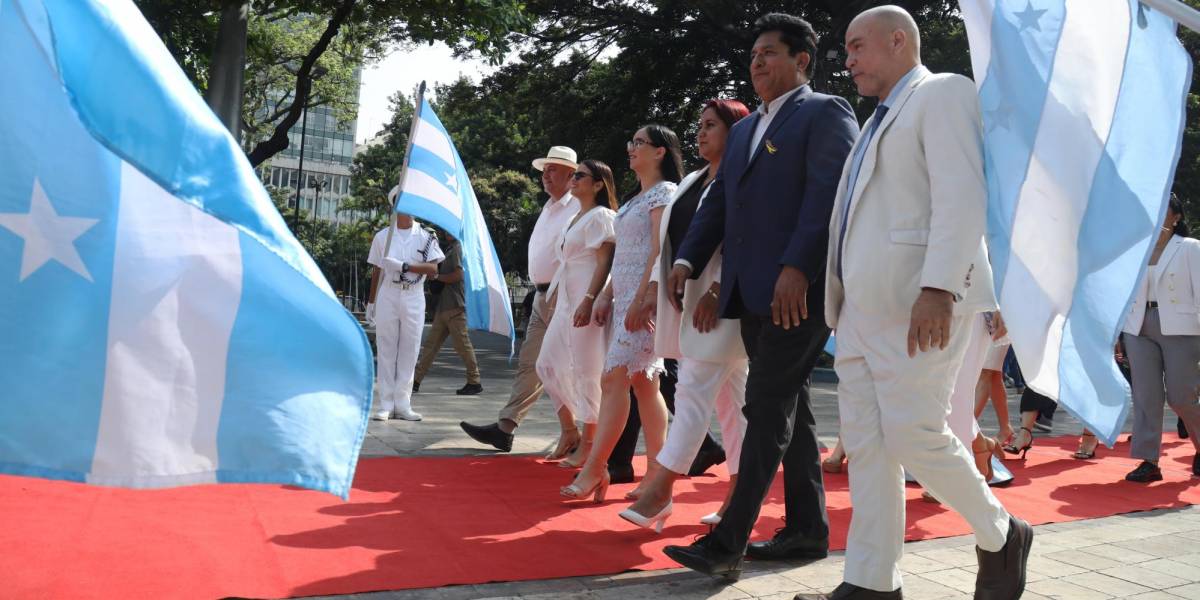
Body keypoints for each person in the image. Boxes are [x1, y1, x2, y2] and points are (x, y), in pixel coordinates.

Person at [801, 7, 1031, 599]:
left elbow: (962, 195)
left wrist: (940, 286)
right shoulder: (874, 121)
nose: (846, 59)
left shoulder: (943, 93)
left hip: (917, 305)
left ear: (898, 41)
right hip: (856, 313)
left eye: (857, 47)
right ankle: (871, 582)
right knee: (871, 448)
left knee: (914, 436)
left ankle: (1002, 531)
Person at [662, 13, 858, 580]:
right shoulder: (746, 130)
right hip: (749, 292)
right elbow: (720, 202)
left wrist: (798, 266)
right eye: (752, 56)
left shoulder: (824, 112)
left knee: (766, 406)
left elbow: (828, 195)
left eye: (769, 53)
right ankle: (806, 530)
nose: (757, 63)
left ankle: (728, 540)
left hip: (798, 291)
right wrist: (685, 260)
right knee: (790, 411)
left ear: (801, 60)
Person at [619, 99, 752, 531]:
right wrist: (658, 289)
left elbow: (744, 238)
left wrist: (718, 288)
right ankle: (738, 498)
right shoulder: (693, 180)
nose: (701, 131)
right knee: (735, 406)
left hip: (724, 303)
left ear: (737, 132)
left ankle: (662, 487)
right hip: (689, 304)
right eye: (699, 124)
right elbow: (674, 244)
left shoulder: (744, 177)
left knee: (693, 389)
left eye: (712, 125)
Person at [559, 125, 681, 503]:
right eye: (630, 142)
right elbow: (624, 255)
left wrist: (646, 296)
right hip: (625, 301)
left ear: (660, 151)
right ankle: (657, 471)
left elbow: (661, 249)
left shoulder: (665, 194)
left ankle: (596, 467)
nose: (631, 149)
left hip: (644, 304)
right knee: (645, 385)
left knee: (614, 379)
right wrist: (607, 295)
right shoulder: (631, 202)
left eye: (639, 143)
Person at [459, 147, 579, 452]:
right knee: (535, 364)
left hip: (566, 295)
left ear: (571, 174)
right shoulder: (549, 208)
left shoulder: (578, 206)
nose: (546, 176)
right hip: (541, 296)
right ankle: (508, 426)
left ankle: (581, 432)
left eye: (553, 170)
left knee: (562, 367)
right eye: (544, 170)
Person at [536, 159, 618, 465]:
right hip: (567, 305)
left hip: (588, 301)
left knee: (588, 371)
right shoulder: (576, 217)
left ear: (598, 184)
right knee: (547, 365)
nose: (575, 179)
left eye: (581, 175)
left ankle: (590, 445)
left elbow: (605, 263)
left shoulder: (601, 216)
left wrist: (590, 298)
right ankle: (570, 429)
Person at [1120, 195, 1200, 482]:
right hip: (1138, 326)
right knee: (1145, 396)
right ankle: (1148, 461)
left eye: (1162, 207)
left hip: (1182, 327)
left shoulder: (1190, 248)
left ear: (1176, 215)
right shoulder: (1137, 250)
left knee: (1182, 397)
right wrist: (1120, 333)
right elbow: (1125, 294)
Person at [367, 210, 445, 422]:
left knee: (410, 349)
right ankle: (385, 403)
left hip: (414, 294)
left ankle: (402, 403)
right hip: (389, 292)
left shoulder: (426, 236)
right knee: (386, 349)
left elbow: (433, 269)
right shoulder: (383, 236)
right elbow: (377, 270)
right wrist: (371, 301)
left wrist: (405, 266)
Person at [411, 231, 483, 396]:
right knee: (430, 346)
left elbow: (458, 275)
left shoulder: (458, 248)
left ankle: (474, 381)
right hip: (444, 306)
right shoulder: (450, 249)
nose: (446, 232)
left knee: (463, 346)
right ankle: (415, 381)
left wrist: (436, 276)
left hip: (455, 306)